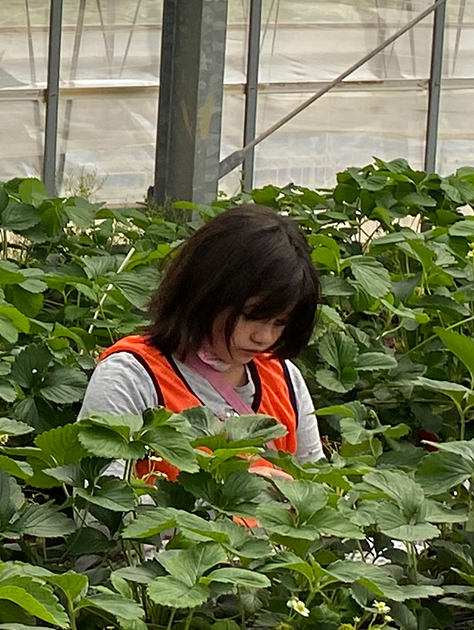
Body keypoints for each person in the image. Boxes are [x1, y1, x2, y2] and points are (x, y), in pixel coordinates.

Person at [80, 204, 326, 476]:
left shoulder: (283, 378)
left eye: (280, 322)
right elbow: (97, 507)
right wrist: (230, 490)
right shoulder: (132, 377)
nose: (264, 337)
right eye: (250, 316)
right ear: (206, 292)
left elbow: (313, 485)